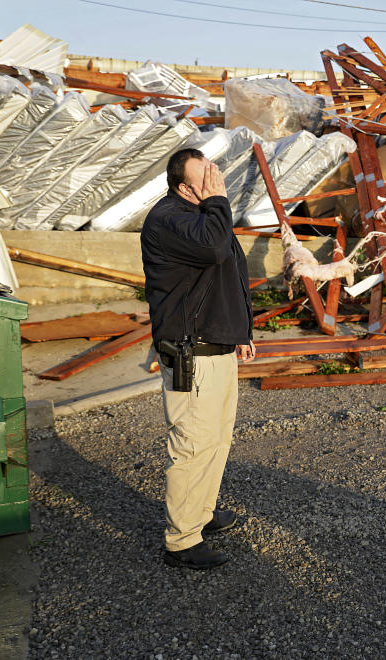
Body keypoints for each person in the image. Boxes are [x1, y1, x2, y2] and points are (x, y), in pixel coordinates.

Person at [140, 148, 255, 570]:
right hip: (192, 352)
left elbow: (231, 271)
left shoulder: (205, 216)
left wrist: (242, 332)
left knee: (217, 440)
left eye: (213, 170)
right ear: (183, 186)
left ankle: (200, 515)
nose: (215, 179)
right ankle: (181, 541)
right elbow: (213, 251)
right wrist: (219, 200)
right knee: (192, 445)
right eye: (204, 176)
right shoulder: (169, 218)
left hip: (218, 346)